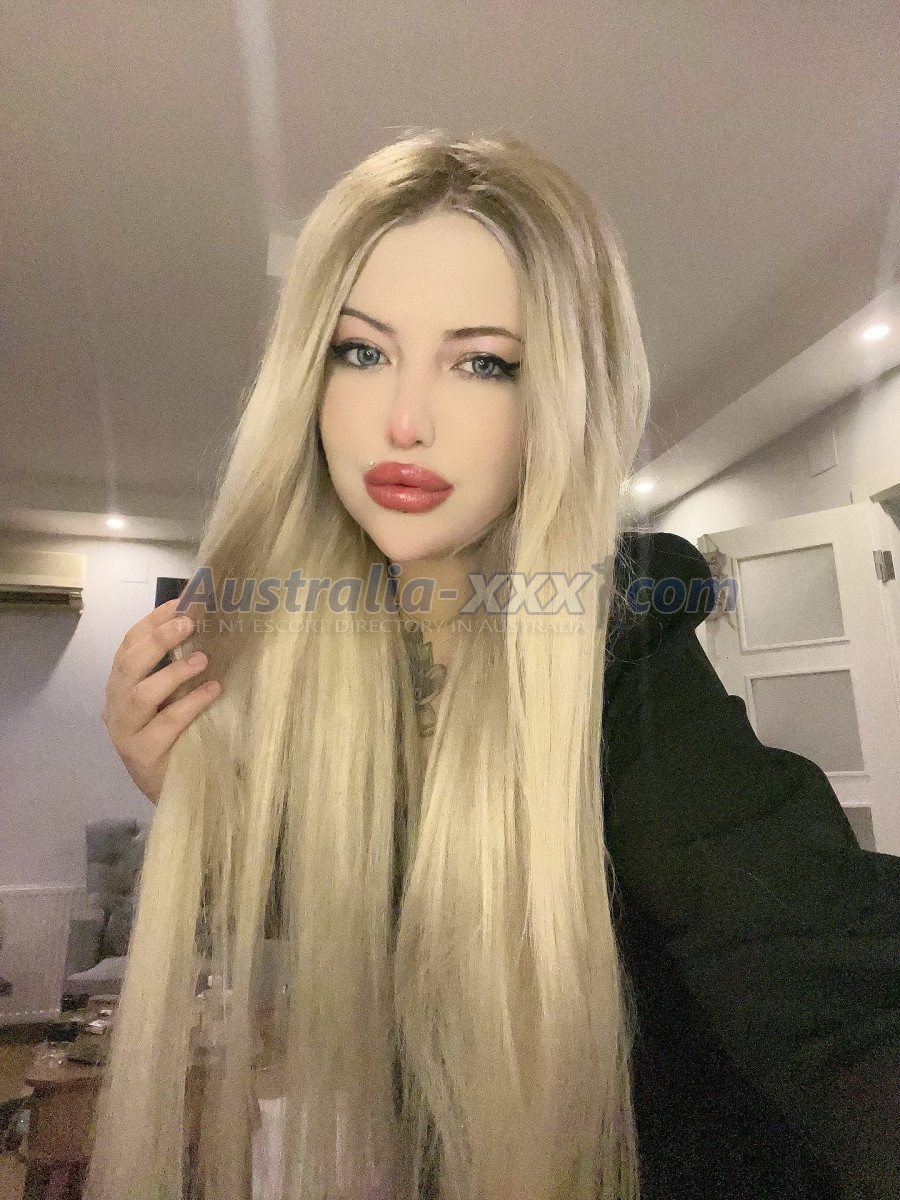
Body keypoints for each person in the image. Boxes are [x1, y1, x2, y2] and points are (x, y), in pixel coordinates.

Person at [92, 130, 900, 1200]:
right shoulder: (331, 666)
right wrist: (202, 798)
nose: (406, 420)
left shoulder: (617, 657)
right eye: (362, 351)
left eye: (483, 362)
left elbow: (823, 976)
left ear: (552, 401)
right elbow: (392, 922)